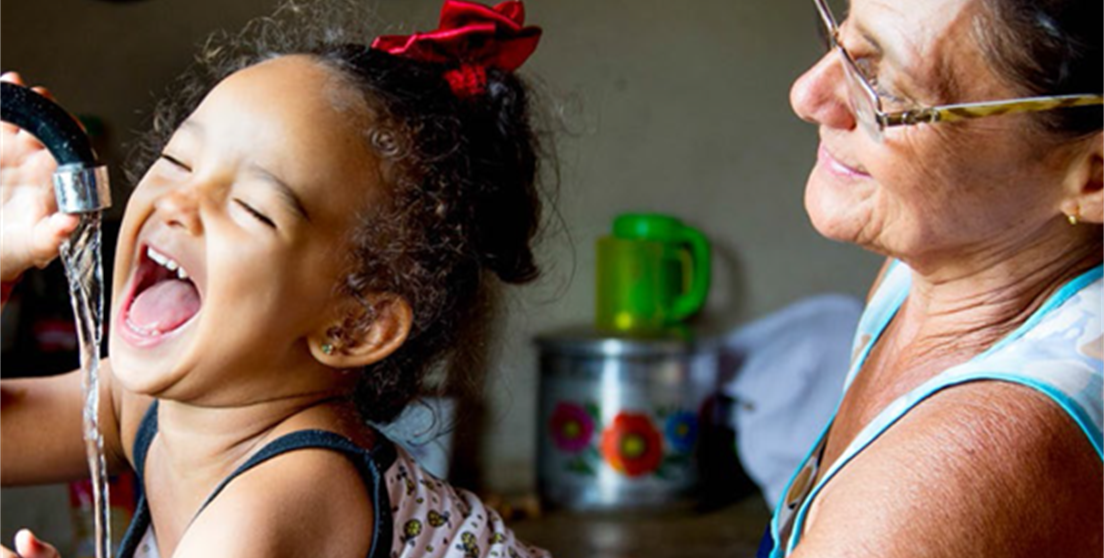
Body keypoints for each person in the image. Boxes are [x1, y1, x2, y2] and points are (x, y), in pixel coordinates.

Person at [0, 1, 553, 557]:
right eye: (178, 162)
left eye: (252, 209)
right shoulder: (142, 404)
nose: (179, 202)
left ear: (354, 324)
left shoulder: (289, 492)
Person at [758, 0, 1104, 556]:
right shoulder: (927, 270)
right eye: (842, 38)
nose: (808, 95)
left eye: (884, 90)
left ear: (1095, 176)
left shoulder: (952, 476)